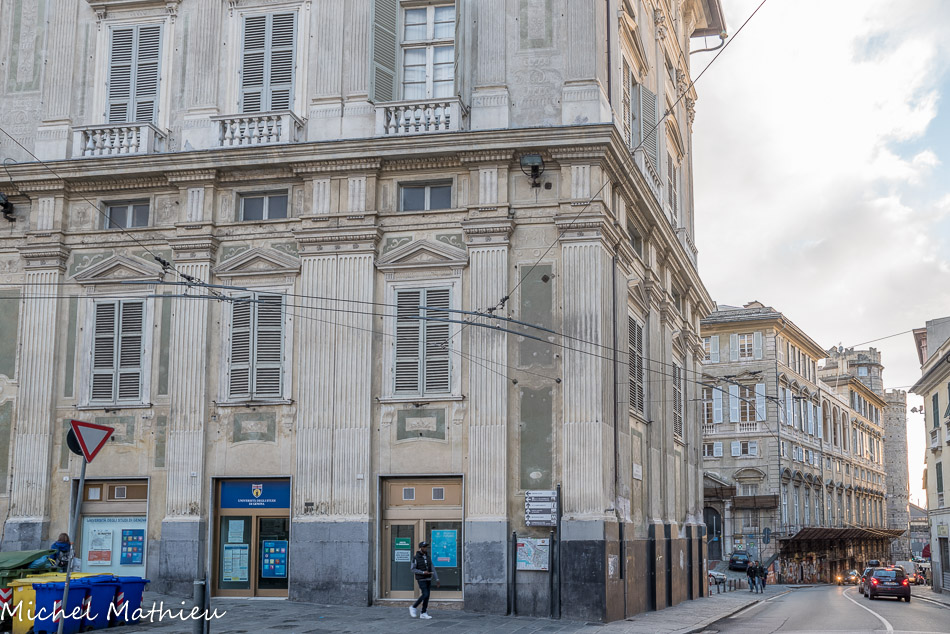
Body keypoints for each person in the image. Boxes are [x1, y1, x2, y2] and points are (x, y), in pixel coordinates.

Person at [409, 541, 439, 619]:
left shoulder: (428, 557)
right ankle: (413, 607)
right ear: (420, 548)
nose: (425, 548)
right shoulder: (415, 557)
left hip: (428, 578)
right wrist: (422, 572)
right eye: (424, 547)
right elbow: (412, 569)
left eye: (426, 547)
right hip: (421, 579)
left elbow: (432, 568)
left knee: (427, 596)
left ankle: (423, 612)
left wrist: (437, 579)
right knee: (425, 594)